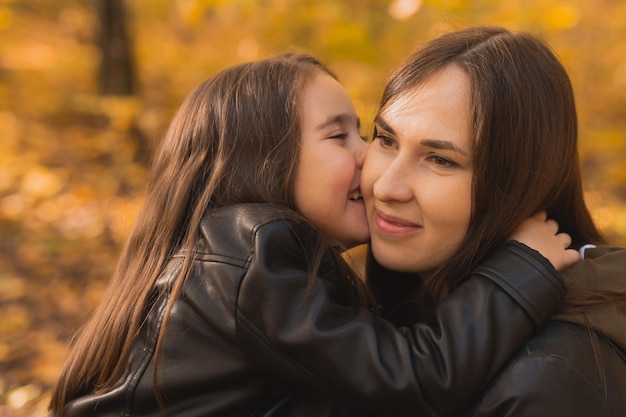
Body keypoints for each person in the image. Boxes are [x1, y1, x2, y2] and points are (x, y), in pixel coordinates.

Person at [49, 53, 578, 417]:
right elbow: (412, 379)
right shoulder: (255, 247)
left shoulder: (224, 260)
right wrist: (520, 268)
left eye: (365, 133)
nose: (368, 155)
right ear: (266, 160)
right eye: (338, 135)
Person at [362, 26, 626, 416]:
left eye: (441, 160)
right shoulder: (408, 320)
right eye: (386, 140)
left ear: (518, 186)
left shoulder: (548, 382)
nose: (386, 186)